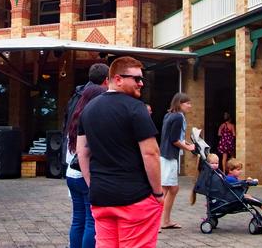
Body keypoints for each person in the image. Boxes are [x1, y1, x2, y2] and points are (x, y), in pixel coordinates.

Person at [77, 56, 163, 247]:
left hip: (101, 198)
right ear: (117, 79)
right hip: (135, 199)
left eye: (142, 79)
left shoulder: (88, 109)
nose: (141, 83)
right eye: (137, 79)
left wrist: (94, 184)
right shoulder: (136, 109)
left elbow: (82, 153)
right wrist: (158, 193)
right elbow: (151, 154)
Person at [65, 84, 106, 248]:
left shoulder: (75, 118)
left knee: (78, 219)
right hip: (85, 173)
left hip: (71, 173)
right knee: (91, 221)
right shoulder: (94, 119)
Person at [62, 63, 109, 168]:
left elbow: (66, 122)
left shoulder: (77, 95)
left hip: (72, 153)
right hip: (86, 158)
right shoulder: (99, 97)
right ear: (107, 80)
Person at [159, 92, 195, 229]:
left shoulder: (169, 115)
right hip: (169, 157)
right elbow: (174, 140)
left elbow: (174, 137)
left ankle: (165, 221)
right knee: (165, 190)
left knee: (173, 189)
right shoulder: (178, 118)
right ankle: (158, 222)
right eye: (187, 103)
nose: (190, 106)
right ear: (180, 104)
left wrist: (186, 143)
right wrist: (189, 147)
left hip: (165, 155)